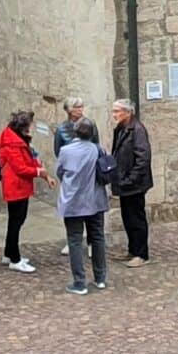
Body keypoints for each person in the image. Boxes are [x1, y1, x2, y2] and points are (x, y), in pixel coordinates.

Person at [55, 120, 110, 296]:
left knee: (74, 240)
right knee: (97, 238)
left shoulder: (66, 151)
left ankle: (80, 282)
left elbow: (60, 172)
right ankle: (100, 278)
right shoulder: (97, 149)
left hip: (74, 202)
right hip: (95, 200)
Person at [0, 109, 44, 271]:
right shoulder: (12, 144)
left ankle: (9, 253)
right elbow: (20, 168)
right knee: (16, 221)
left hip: (17, 186)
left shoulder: (15, 139)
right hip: (16, 186)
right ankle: (14, 259)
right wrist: (37, 171)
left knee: (16, 221)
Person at [109, 99, 155, 264]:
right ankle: (133, 250)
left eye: (117, 111)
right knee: (128, 218)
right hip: (124, 181)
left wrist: (130, 179)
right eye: (113, 111)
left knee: (136, 218)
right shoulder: (121, 128)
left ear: (127, 112)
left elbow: (143, 159)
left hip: (134, 184)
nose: (114, 114)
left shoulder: (137, 130)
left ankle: (142, 254)